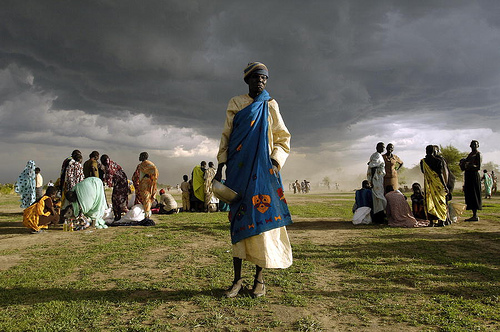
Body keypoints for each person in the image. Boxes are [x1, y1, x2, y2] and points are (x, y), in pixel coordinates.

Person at [215, 62, 292, 298]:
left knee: (261, 224)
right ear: (247, 80)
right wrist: (220, 167)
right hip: (238, 172)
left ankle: (259, 279)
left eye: (264, 78)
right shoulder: (236, 103)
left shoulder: (270, 105)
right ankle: (237, 280)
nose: (260, 81)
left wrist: (275, 162)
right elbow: (226, 135)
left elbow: (282, 138)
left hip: (262, 174)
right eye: (256, 78)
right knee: (238, 223)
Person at [420, 145, 448, 226]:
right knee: (441, 201)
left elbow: (423, 171)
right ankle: (441, 221)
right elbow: (440, 174)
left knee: (430, 201)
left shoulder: (423, 161)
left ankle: (431, 222)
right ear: (433, 151)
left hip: (428, 184)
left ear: (426, 151)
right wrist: (445, 186)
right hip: (438, 184)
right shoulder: (438, 161)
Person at [101, 155, 129, 221]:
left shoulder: (108, 167)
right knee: (121, 199)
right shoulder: (112, 163)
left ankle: (118, 216)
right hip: (123, 182)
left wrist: (103, 183)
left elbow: (109, 181)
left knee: (116, 199)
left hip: (120, 184)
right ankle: (122, 214)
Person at [460, 140, 482, 221]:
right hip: (468, 175)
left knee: (474, 194)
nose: (473, 146)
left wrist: (468, 165)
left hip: (474, 175)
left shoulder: (478, 154)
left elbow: (478, 167)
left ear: (478, 146)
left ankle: (475, 215)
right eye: (472, 144)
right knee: (470, 194)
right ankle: (474, 215)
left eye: (475, 144)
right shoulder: (470, 155)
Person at [132, 152, 159, 219]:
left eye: (140, 156)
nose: (139, 158)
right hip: (147, 185)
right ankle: (145, 215)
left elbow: (135, 177)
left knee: (146, 199)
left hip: (145, 185)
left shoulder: (144, 165)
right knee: (147, 199)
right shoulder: (148, 165)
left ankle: (146, 216)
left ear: (143, 157)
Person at [367, 142, 387, 223]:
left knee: (377, 197)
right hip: (376, 179)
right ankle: (379, 217)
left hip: (378, 178)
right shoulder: (378, 155)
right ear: (377, 147)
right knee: (378, 197)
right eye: (382, 147)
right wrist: (372, 180)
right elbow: (373, 167)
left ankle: (378, 216)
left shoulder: (375, 155)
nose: (383, 148)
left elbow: (370, 164)